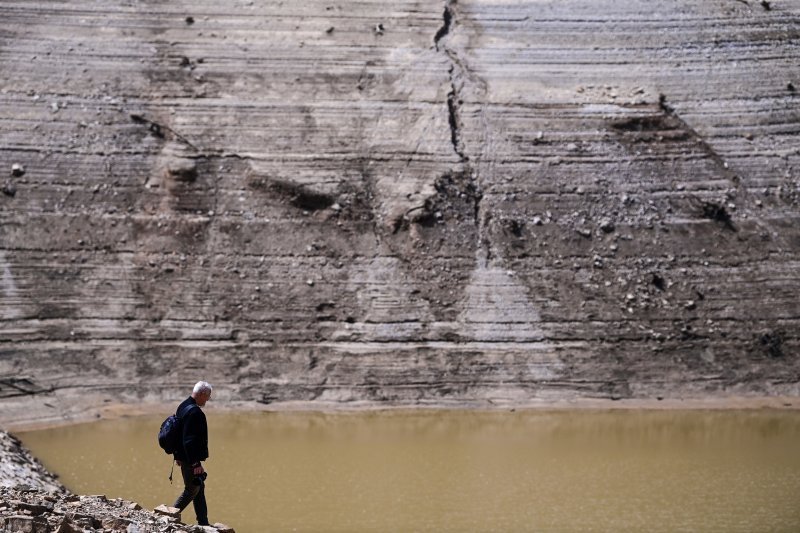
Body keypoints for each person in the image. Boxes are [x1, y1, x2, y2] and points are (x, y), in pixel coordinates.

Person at [173, 381, 212, 526]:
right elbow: (189, 441)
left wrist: (177, 455)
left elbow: (178, 434)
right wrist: (196, 463)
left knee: (199, 486)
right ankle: (168, 515)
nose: (208, 400)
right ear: (201, 394)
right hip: (190, 459)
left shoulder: (183, 406)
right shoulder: (195, 412)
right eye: (207, 396)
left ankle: (203, 522)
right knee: (191, 490)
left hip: (184, 456)